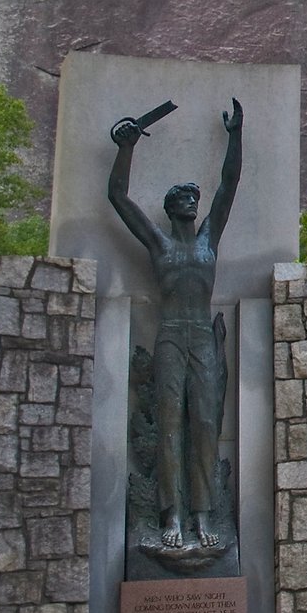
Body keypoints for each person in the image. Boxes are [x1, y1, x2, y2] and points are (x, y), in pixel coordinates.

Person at [108, 99, 243, 549]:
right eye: (184, 197)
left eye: (194, 197)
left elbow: (228, 184)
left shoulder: (209, 240)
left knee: (204, 424)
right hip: (170, 337)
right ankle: (171, 515)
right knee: (170, 426)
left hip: (203, 338)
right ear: (171, 208)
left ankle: (203, 515)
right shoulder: (158, 244)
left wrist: (235, 135)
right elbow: (118, 197)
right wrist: (126, 147)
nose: (192, 201)